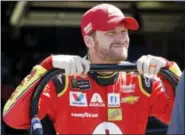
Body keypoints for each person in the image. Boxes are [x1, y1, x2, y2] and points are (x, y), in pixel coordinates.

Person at [3, 3, 182, 134]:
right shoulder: (62, 80)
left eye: (123, 32)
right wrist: (47, 66)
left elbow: (181, 119)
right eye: (111, 33)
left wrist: (168, 68)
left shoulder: (143, 80)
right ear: (89, 41)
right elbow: (13, 119)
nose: (121, 38)